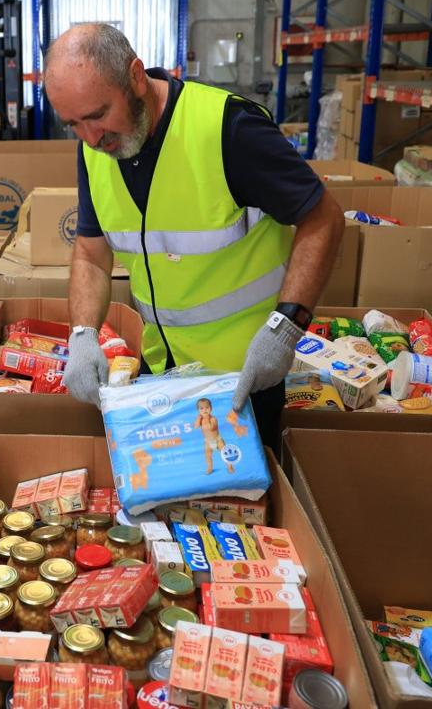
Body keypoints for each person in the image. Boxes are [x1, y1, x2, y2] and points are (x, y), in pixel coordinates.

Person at [46, 24, 345, 451]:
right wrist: (82, 336)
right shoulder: (97, 151)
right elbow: (92, 252)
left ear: (134, 77)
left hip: (245, 380)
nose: (92, 138)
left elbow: (324, 218)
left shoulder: (227, 129)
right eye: (73, 124)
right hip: (163, 376)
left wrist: (285, 329)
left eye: (97, 115)